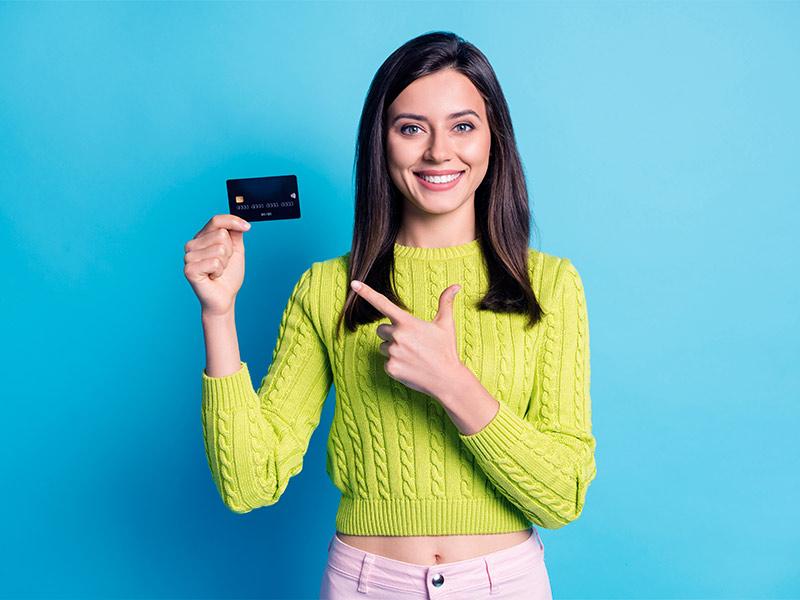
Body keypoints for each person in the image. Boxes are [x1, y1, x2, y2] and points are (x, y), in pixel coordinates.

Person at [183, 31, 596, 600]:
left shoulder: (549, 284)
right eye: (411, 128)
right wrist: (218, 315)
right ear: (382, 143)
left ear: (493, 139)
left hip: (505, 583)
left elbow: (562, 496)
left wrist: (453, 384)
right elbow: (248, 484)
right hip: (366, 583)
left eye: (462, 126)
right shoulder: (327, 288)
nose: (438, 152)